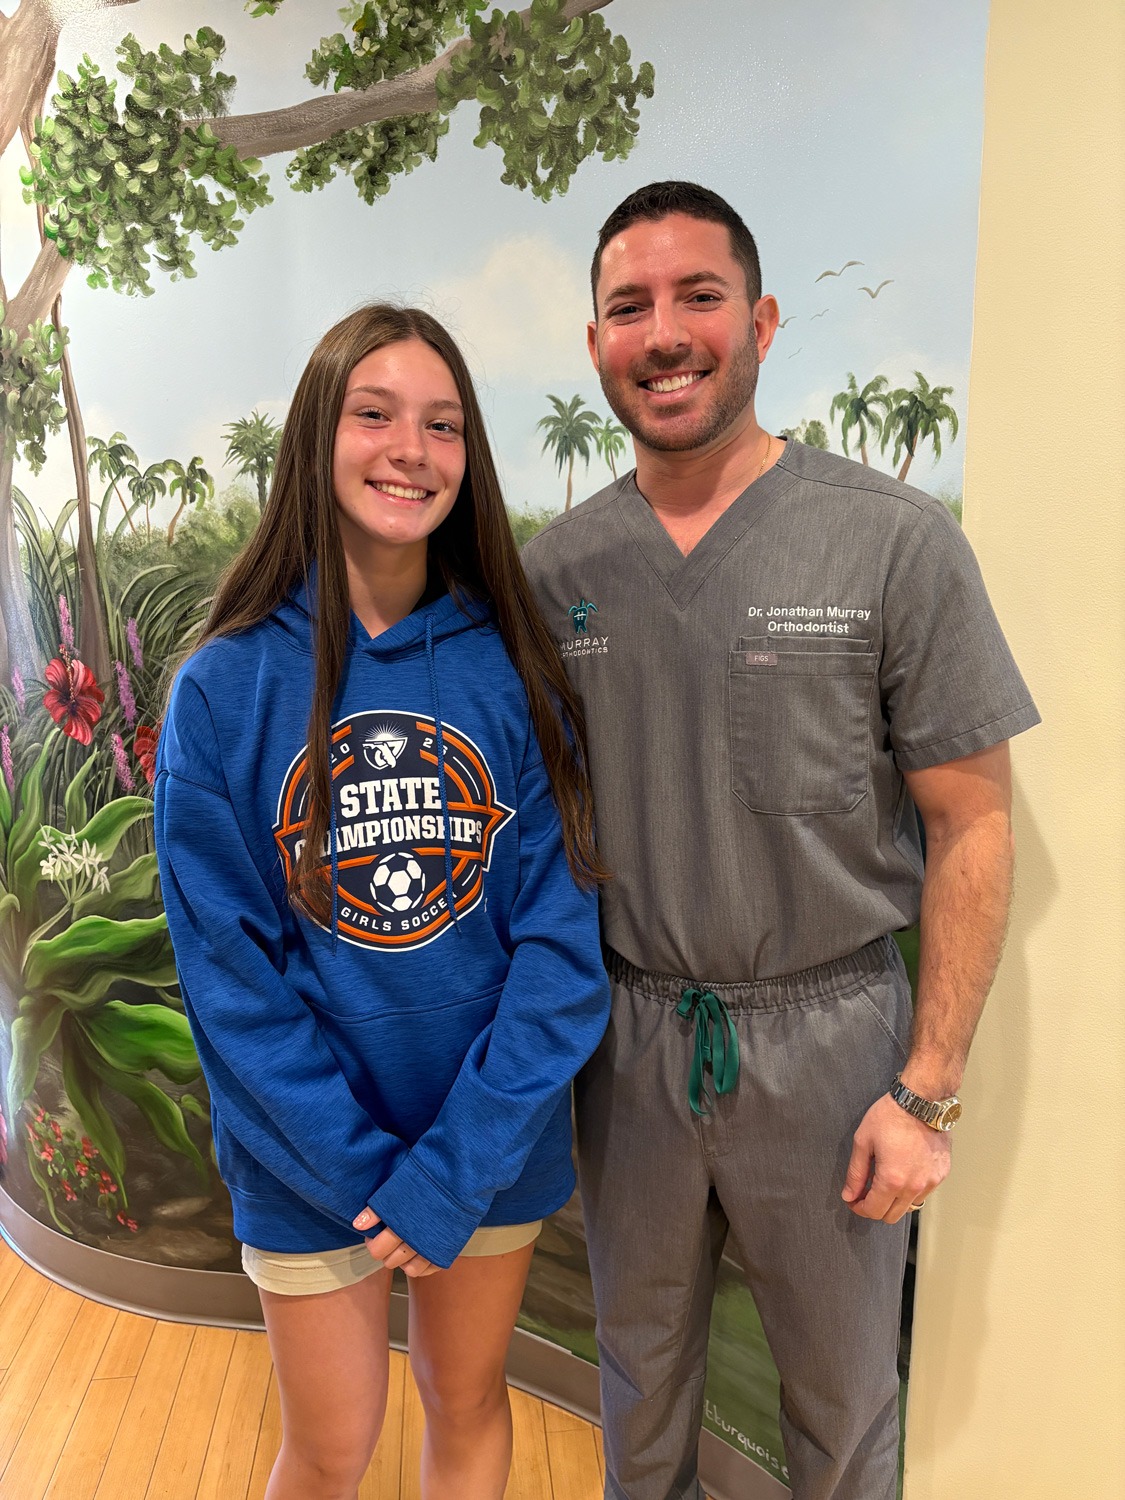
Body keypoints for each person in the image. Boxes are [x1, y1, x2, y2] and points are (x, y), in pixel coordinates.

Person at [521, 181, 1040, 1500]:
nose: (665, 332)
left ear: (757, 321)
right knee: (636, 1388)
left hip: (833, 1047)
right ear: (595, 347)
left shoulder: (892, 546)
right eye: (628, 306)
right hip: (629, 1046)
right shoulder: (555, 577)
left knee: (844, 1405)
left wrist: (924, 1089)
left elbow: (972, 821)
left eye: (698, 297)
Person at [153, 303, 610, 1500]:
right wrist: (368, 1175)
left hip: (486, 1147)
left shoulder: (513, 668)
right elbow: (229, 987)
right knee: (333, 1445)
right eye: (376, 414)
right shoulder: (224, 688)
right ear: (320, 435)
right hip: (310, 1167)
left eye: (443, 424)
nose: (412, 448)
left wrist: (452, 1170)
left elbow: (562, 956)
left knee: (465, 1406)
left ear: (470, 457)